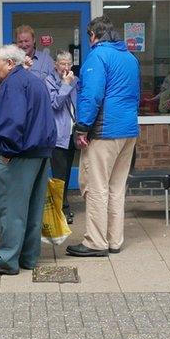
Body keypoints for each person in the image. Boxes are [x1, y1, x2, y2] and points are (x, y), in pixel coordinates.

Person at [0, 45, 57, 276]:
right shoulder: (35, 81)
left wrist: (7, 151)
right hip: (40, 153)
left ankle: (6, 260)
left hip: (19, 154)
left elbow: (12, 121)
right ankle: (29, 258)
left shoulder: (13, 83)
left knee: (10, 210)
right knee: (32, 209)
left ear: (10, 64)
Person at [66, 16, 140, 257]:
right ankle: (114, 240)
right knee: (116, 188)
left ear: (93, 35)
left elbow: (91, 95)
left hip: (105, 131)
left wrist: (82, 127)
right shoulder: (130, 58)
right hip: (128, 131)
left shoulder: (97, 56)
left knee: (97, 187)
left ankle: (95, 242)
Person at [46, 50, 78, 224]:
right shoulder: (49, 81)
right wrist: (65, 84)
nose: (65, 67)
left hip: (73, 133)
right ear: (55, 65)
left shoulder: (76, 81)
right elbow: (55, 104)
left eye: (68, 64)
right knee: (59, 175)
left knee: (66, 172)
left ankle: (63, 207)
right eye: (62, 64)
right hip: (58, 135)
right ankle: (59, 210)